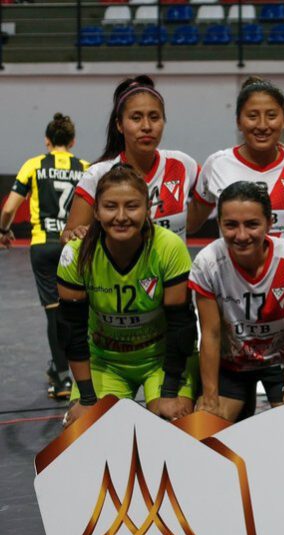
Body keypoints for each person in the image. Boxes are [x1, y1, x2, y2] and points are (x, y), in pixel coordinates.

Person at [56, 165, 197, 427]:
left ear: (147, 210)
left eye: (132, 206)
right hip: (106, 361)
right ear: (96, 211)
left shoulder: (169, 247)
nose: (121, 216)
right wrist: (87, 398)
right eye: (110, 207)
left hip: (162, 359)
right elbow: (71, 331)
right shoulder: (76, 254)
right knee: (87, 430)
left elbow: (182, 327)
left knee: (173, 426)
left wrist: (168, 395)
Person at [188, 182, 284, 421]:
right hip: (231, 364)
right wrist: (210, 398)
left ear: (270, 223)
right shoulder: (207, 262)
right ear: (219, 223)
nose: (241, 236)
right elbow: (210, 334)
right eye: (231, 225)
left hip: (279, 362)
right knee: (206, 428)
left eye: (252, 224)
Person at [0, 113, 88, 399]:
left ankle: (62, 378)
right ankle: (88, 375)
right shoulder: (86, 168)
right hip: (76, 245)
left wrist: (3, 230)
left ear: (47, 142)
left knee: (54, 312)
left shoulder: (34, 165)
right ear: (72, 141)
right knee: (82, 311)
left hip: (44, 246)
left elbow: (9, 209)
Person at [188, 77, 284, 248]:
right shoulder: (216, 165)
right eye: (252, 116)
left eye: (271, 116)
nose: (262, 125)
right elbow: (190, 224)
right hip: (231, 274)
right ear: (238, 121)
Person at [63, 76, 198, 242]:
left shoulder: (183, 164)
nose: (147, 126)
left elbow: (210, 194)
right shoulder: (97, 175)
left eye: (154, 117)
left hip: (175, 269)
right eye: (136, 118)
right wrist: (75, 236)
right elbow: (68, 239)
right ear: (119, 124)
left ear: (164, 121)